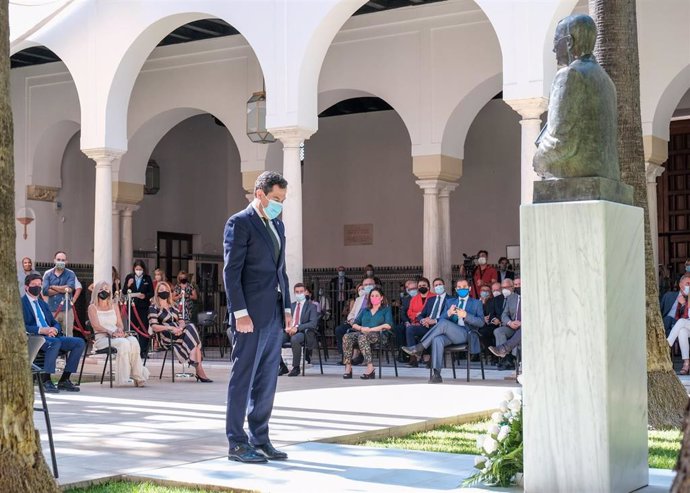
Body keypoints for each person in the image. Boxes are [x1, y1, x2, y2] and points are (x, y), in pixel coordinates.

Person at [223, 171, 291, 463]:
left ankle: (260, 438)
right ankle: (237, 443)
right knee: (244, 378)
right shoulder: (239, 223)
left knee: (267, 380)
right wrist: (240, 313)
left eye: (283, 200)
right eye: (276, 198)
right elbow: (231, 272)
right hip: (248, 316)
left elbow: (281, 271)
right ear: (259, 193)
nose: (279, 205)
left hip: (274, 314)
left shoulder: (277, 224)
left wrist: (287, 309)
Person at [401, 279, 483, 383]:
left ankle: (420, 347)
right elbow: (441, 319)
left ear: (469, 288)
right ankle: (436, 374)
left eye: (464, 287)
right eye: (459, 287)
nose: (462, 289)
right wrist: (448, 313)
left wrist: (466, 315)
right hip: (450, 334)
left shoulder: (476, 303)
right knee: (437, 339)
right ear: (456, 290)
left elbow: (481, 322)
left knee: (444, 324)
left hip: (466, 334)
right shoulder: (451, 302)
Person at [23, 273, 85, 393]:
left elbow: (53, 322)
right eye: (34, 284)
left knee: (79, 342)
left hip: (51, 336)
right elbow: (22, 326)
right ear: (26, 287)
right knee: (55, 343)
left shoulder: (42, 304)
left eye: (39, 285)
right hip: (35, 338)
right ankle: (46, 380)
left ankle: (64, 379)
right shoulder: (22, 303)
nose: (37, 287)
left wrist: (54, 329)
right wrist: (42, 330)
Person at [88, 280, 149, 387]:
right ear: (96, 291)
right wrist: (110, 332)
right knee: (123, 343)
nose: (104, 291)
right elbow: (96, 325)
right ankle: (124, 377)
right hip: (102, 338)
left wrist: (119, 330)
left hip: (116, 335)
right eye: (101, 289)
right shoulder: (92, 307)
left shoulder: (114, 305)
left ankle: (138, 376)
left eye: (106, 289)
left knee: (134, 341)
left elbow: (120, 324)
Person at [148, 281, 212, 381]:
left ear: (169, 292)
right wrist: (171, 328)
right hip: (166, 335)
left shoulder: (173, 306)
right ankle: (199, 369)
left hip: (179, 333)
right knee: (194, 341)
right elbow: (154, 326)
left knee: (190, 326)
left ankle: (194, 361)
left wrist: (180, 328)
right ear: (157, 292)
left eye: (166, 290)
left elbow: (181, 320)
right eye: (161, 290)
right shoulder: (153, 307)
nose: (164, 292)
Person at [342, 287, 393, 380]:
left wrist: (371, 329)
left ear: (381, 298)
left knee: (362, 337)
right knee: (347, 337)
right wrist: (361, 328)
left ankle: (370, 367)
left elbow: (388, 325)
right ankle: (348, 367)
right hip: (363, 332)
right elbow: (354, 324)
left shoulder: (386, 309)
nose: (374, 297)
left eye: (377, 295)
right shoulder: (365, 310)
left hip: (379, 335)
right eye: (372, 296)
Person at [405, 278, 450, 368]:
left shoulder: (450, 299)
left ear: (444, 285)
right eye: (436, 285)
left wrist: (434, 321)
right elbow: (421, 315)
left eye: (440, 284)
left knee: (435, 335)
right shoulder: (431, 300)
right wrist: (423, 320)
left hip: (440, 326)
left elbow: (449, 316)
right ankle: (414, 357)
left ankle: (432, 360)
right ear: (433, 287)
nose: (438, 287)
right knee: (410, 329)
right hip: (427, 325)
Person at [280, 283, 319, 376]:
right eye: (297, 292)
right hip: (289, 331)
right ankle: (282, 366)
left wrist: (297, 328)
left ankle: (296, 367)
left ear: (305, 292)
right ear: (294, 293)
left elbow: (313, 323)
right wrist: (286, 327)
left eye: (301, 291)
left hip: (303, 333)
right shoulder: (291, 306)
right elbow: (285, 320)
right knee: (275, 339)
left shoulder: (311, 306)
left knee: (295, 339)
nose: (299, 294)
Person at [335, 278, 376, 364]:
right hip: (355, 323)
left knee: (359, 333)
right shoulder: (359, 299)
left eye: (370, 284)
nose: (368, 286)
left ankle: (359, 356)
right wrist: (351, 320)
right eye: (366, 285)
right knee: (339, 330)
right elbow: (351, 313)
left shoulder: (377, 298)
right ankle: (346, 357)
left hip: (368, 325)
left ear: (374, 285)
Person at [123, 260, 155, 359]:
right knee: (132, 328)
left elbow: (151, 293)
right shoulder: (129, 277)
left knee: (143, 328)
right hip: (132, 307)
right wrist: (128, 285)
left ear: (143, 269)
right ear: (134, 269)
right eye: (137, 269)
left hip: (143, 307)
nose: (138, 271)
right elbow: (124, 291)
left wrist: (144, 295)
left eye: (140, 269)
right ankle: (132, 350)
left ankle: (143, 351)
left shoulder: (147, 278)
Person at [42, 251, 77, 337]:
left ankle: (68, 350)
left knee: (68, 334)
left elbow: (69, 289)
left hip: (67, 309)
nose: (60, 262)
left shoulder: (70, 273)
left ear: (66, 262)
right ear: (54, 260)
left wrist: (52, 287)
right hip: (52, 309)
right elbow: (45, 291)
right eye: (58, 259)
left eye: (63, 260)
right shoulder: (48, 274)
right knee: (52, 333)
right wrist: (63, 289)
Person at [494, 281, 521, 370]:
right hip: (513, 327)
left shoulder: (532, 297)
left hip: (525, 327)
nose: (518, 287)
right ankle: (506, 360)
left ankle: (511, 357)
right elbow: (504, 315)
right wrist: (510, 322)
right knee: (499, 331)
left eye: (519, 284)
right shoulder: (511, 298)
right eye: (516, 285)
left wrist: (522, 323)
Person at [668, 274, 690, 374]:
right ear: (681, 285)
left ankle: (667, 344)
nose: (689, 286)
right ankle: (686, 363)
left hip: (685, 323)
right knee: (682, 331)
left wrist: (684, 304)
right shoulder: (684, 297)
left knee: (681, 322)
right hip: (687, 326)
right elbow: (678, 317)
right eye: (688, 284)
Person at [394, 279, 418, 360]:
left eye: (414, 288)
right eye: (410, 289)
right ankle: (402, 352)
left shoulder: (422, 297)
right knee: (399, 329)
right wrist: (407, 322)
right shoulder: (405, 299)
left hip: (419, 322)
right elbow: (402, 313)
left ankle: (416, 355)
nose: (412, 290)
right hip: (408, 322)